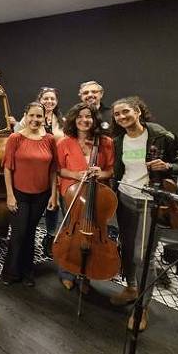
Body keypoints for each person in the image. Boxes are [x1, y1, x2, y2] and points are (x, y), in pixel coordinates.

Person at [109, 96, 178, 331]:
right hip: (125, 198)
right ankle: (131, 287)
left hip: (150, 203)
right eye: (117, 114)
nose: (122, 117)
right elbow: (120, 170)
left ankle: (141, 308)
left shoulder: (161, 135)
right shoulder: (120, 141)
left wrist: (167, 166)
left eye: (126, 112)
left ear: (138, 111)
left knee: (143, 256)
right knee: (126, 247)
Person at [54, 103, 114, 291]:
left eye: (88, 116)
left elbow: (111, 170)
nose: (84, 120)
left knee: (92, 235)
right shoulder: (64, 142)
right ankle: (66, 271)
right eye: (80, 116)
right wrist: (75, 175)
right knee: (69, 233)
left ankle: (85, 274)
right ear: (74, 119)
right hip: (71, 193)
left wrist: (101, 174)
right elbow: (58, 169)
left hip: (96, 196)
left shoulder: (105, 142)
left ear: (95, 120)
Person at [0, 102, 58, 286]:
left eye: (39, 116)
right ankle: (10, 273)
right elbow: (8, 168)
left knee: (31, 233)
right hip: (19, 194)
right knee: (18, 234)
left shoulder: (49, 139)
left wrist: (53, 195)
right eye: (31, 115)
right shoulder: (15, 138)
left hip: (41, 195)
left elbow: (53, 170)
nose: (35, 119)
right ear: (25, 116)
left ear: (44, 118)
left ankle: (27, 272)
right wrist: (9, 194)